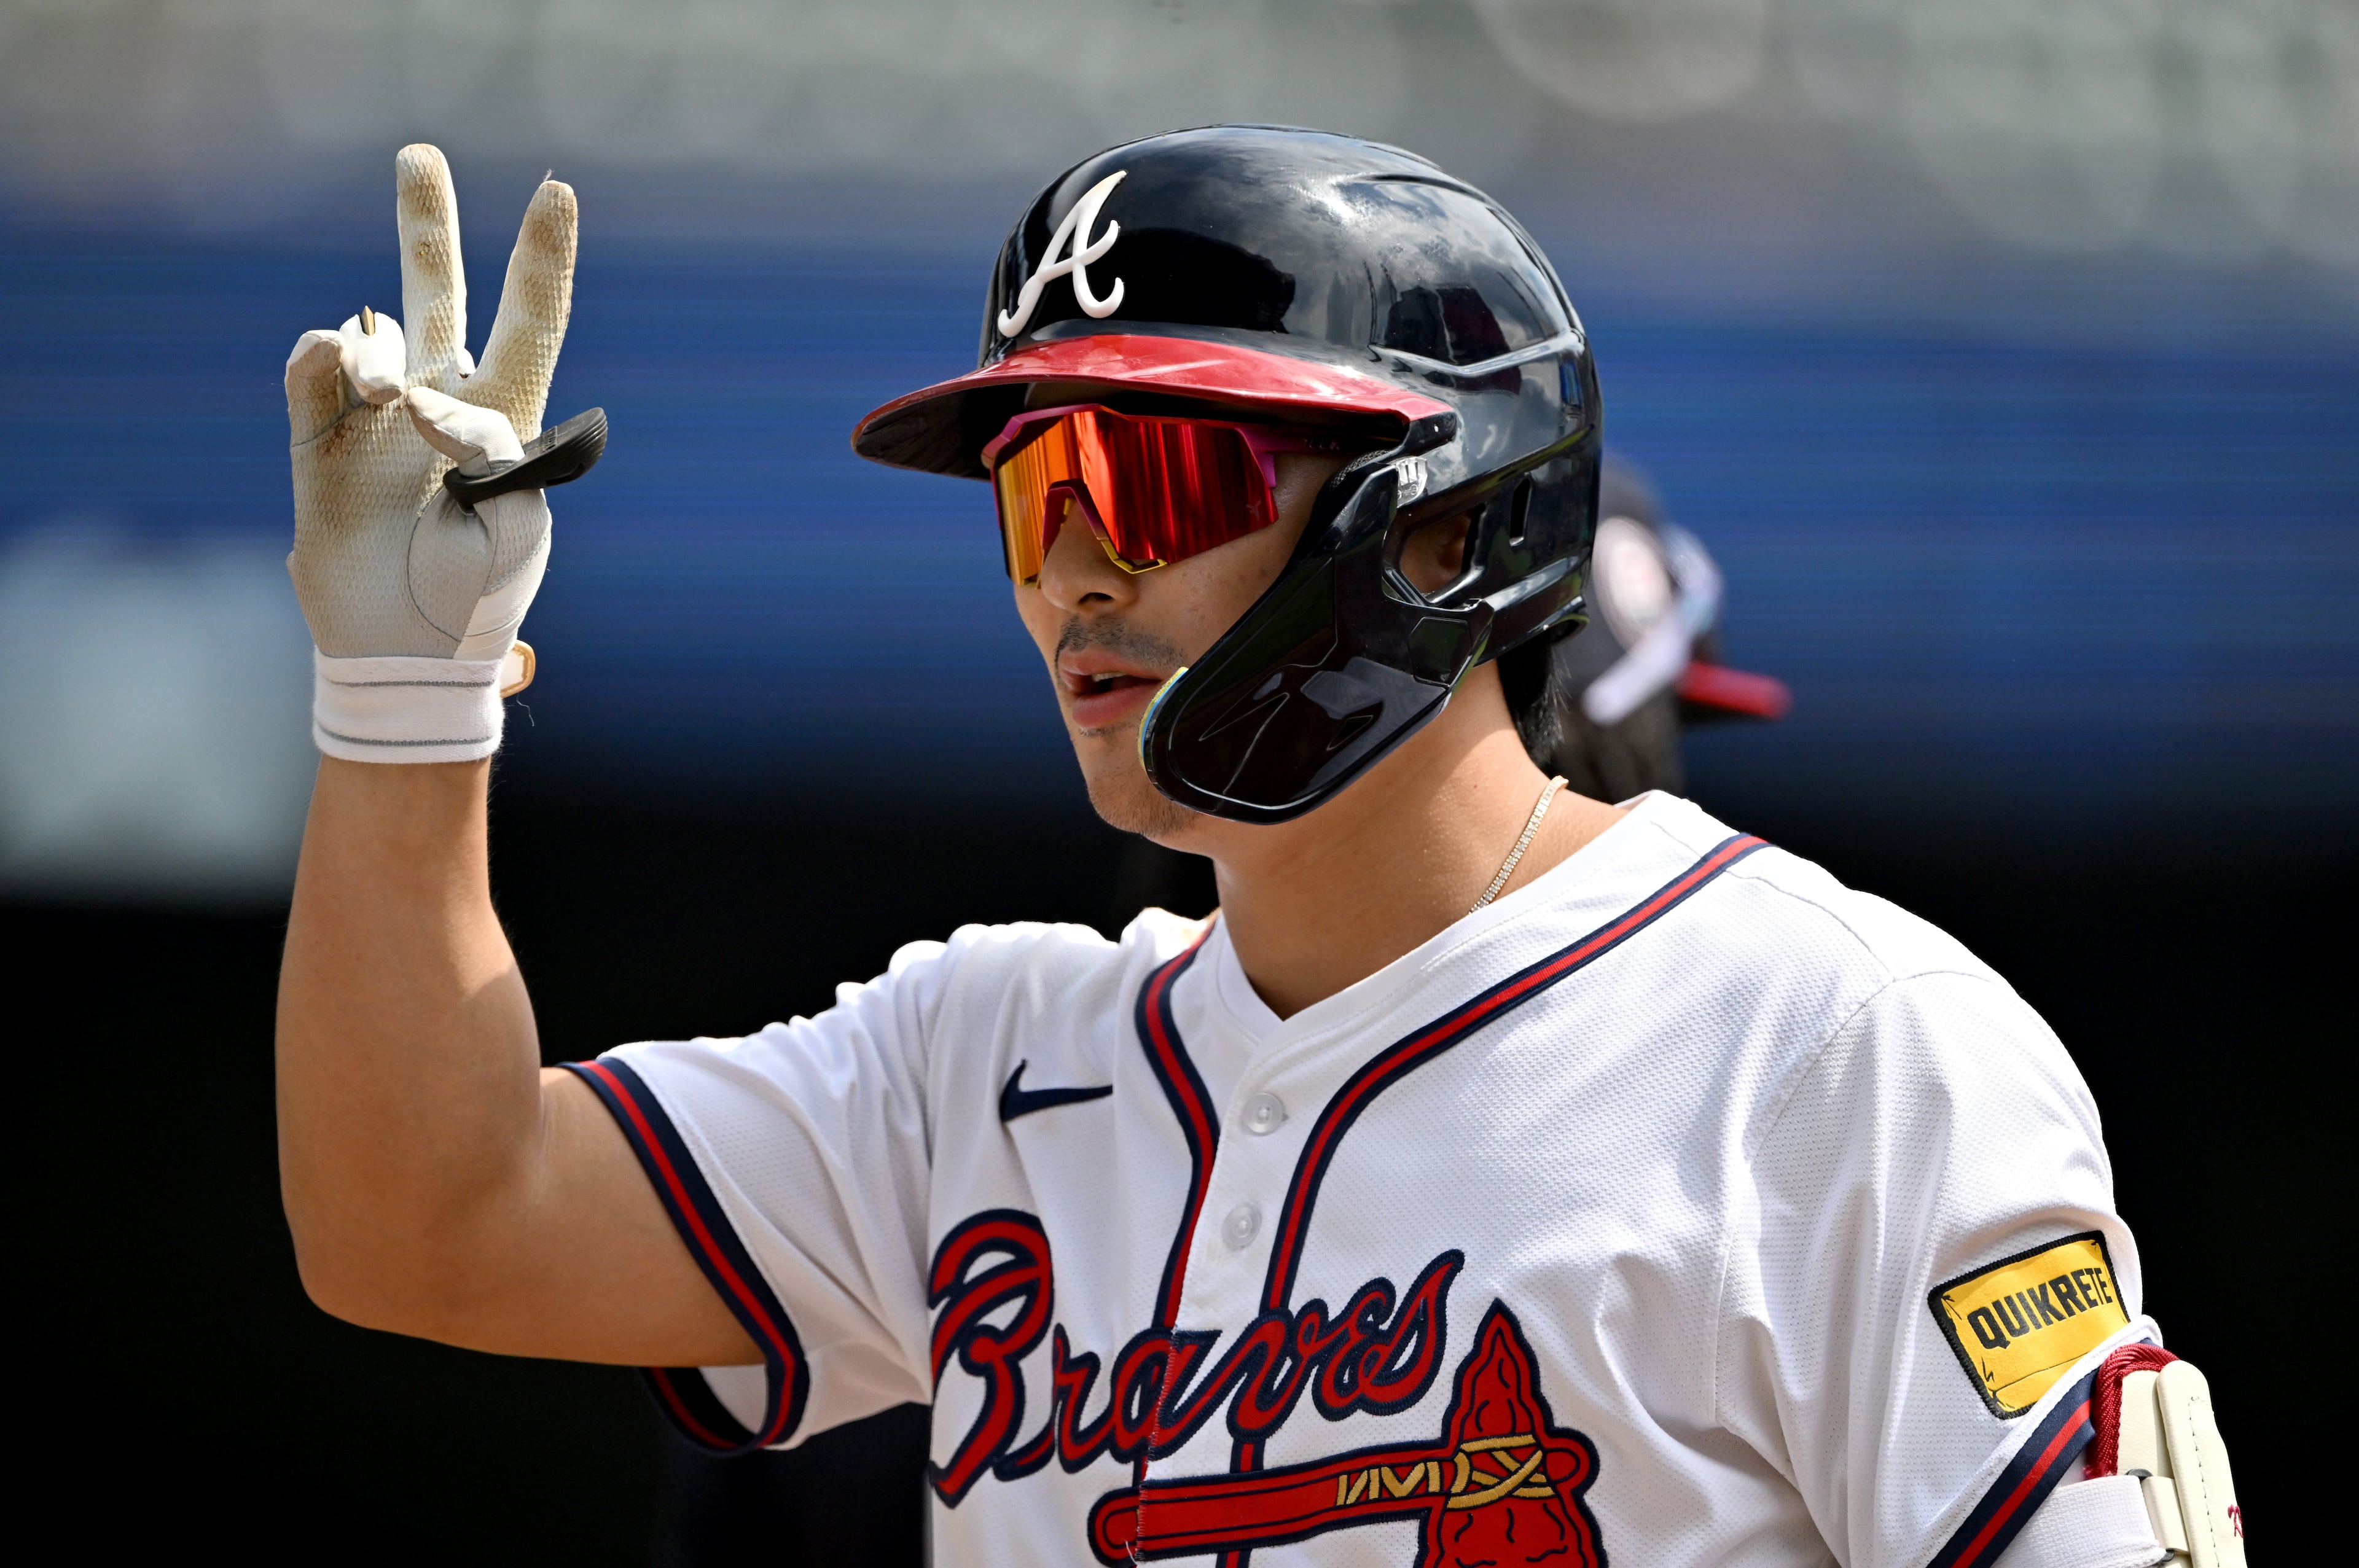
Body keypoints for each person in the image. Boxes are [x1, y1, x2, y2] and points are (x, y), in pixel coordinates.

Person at [277, 130, 2239, 1568]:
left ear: (1444, 525)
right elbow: (425, 1219)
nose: (1075, 574)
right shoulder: (978, 1058)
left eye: (1157, 472)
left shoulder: (1829, 1042)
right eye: (1033, 494)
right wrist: (398, 702)